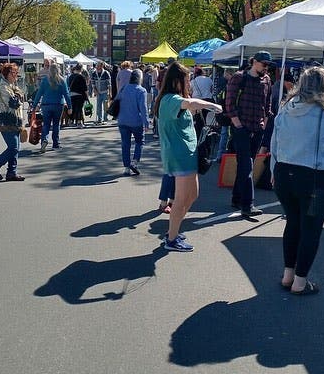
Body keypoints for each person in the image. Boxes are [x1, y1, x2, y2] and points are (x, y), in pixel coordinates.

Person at [270, 66, 324, 295]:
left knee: (292, 223)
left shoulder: (285, 109)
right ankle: (300, 281)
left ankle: (288, 274)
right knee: (312, 229)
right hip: (316, 176)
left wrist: (274, 170)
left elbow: (274, 144)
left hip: (284, 173)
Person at [155, 62, 222, 252]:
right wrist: (213, 105)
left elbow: (188, 107)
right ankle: (171, 239)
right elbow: (191, 104)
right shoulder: (170, 99)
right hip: (180, 155)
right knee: (181, 199)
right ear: (177, 80)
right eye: (186, 80)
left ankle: (173, 232)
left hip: (187, 154)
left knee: (192, 195)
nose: (189, 83)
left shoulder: (174, 100)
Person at [224, 51, 273, 216]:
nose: (266, 68)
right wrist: (238, 125)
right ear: (254, 62)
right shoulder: (239, 77)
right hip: (242, 128)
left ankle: (237, 198)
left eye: (268, 65)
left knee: (245, 165)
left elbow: (267, 105)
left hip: (257, 128)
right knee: (247, 165)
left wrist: (264, 123)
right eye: (264, 64)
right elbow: (229, 104)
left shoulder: (266, 80)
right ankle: (248, 204)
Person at [0, 63, 26, 182]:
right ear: (6, 74)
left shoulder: (12, 85)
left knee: (16, 147)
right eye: (13, 73)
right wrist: (19, 95)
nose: (15, 75)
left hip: (14, 120)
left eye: (16, 73)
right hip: (5, 121)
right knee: (13, 147)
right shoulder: (4, 86)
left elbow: (21, 95)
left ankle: (11, 172)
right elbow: (13, 103)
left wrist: (19, 95)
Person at [32, 63, 72, 152]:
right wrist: (70, 107)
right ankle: (55, 144)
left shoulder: (45, 80)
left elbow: (39, 93)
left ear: (49, 70)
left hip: (46, 105)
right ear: (58, 70)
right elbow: (66, 94)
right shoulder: (62, 80)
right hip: (58, 104)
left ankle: (44, 139)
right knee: (56, 124)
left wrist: (34, 106)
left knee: (46, 124)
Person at [117, 69, 150, 176]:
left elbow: (117, 101)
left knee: (125, 144)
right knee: (139, 141)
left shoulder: (123, 88)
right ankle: (134, 162)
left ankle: (126, 167)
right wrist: (146, 122)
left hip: (122, 120)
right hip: (136, 121)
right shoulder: (141, 90)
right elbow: (143, 108)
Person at [67, 64, 89, 128]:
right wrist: (87, 96)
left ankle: (71, 121)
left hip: (71, 94)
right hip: (79, 95)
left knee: (73, 108)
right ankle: (79, 122)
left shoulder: (70, 76)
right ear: (81, 69)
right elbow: (85, 88)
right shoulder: (81, 77)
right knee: (79, 109)